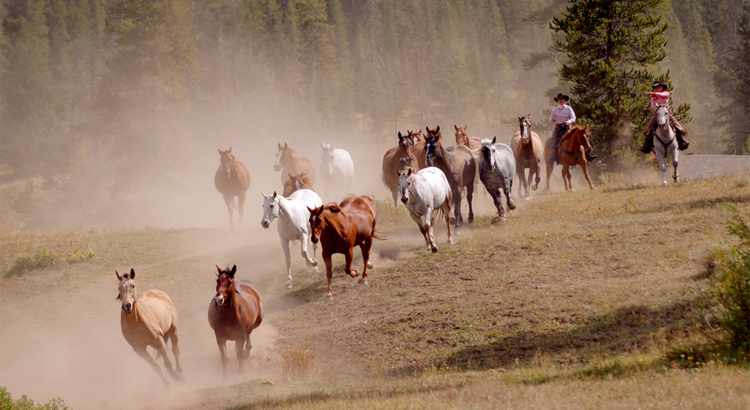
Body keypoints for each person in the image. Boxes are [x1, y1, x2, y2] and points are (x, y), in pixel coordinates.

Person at [640, 81, 689, 153]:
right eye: (656, 87)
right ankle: (647, 146)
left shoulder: (666, 93)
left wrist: (651, 93)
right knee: (648, 129)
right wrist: (658, 109)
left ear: (662, 87)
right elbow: (653, 105)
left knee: (678, 127)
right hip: (658, 112)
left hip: (666, 112)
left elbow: (662, 95)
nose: (657, 88)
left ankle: (681, 142)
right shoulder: (654, 97)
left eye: (658, 87)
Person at [548, 93, 596, 164]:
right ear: (557, 100)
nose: (560, 100)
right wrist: (552, 119)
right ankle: (552, 157)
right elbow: (550, 118)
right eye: (559, 99)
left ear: (564, 100)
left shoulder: (568, 108)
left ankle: (588, 154)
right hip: (558, 128)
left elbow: (573, 118)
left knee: (581, 137)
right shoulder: (555, 109)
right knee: (555, 141)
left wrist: (568, 121)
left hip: (568, 128)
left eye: (561, 99)